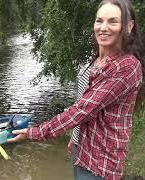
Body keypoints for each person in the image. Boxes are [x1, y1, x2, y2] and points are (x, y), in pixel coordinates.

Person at [8, 0, 144, 179]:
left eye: (113, 21)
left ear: (128, 26)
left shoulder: (126, 66)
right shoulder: (98, 59)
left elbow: (82, 110)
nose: (103, 27)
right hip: (81, 149)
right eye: (99, 20)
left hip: (101, 161)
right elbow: (85, 101)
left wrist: (34, 132)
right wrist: (76, 136)